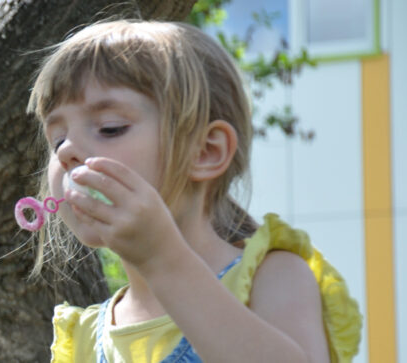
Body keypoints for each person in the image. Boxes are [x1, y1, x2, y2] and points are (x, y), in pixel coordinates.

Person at [25, 20, 362, 362]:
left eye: (110, 128)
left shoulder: (273, 278)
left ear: (206, 152)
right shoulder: (83, 340)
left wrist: (162, 258)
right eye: (57, 139)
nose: (67, 151)